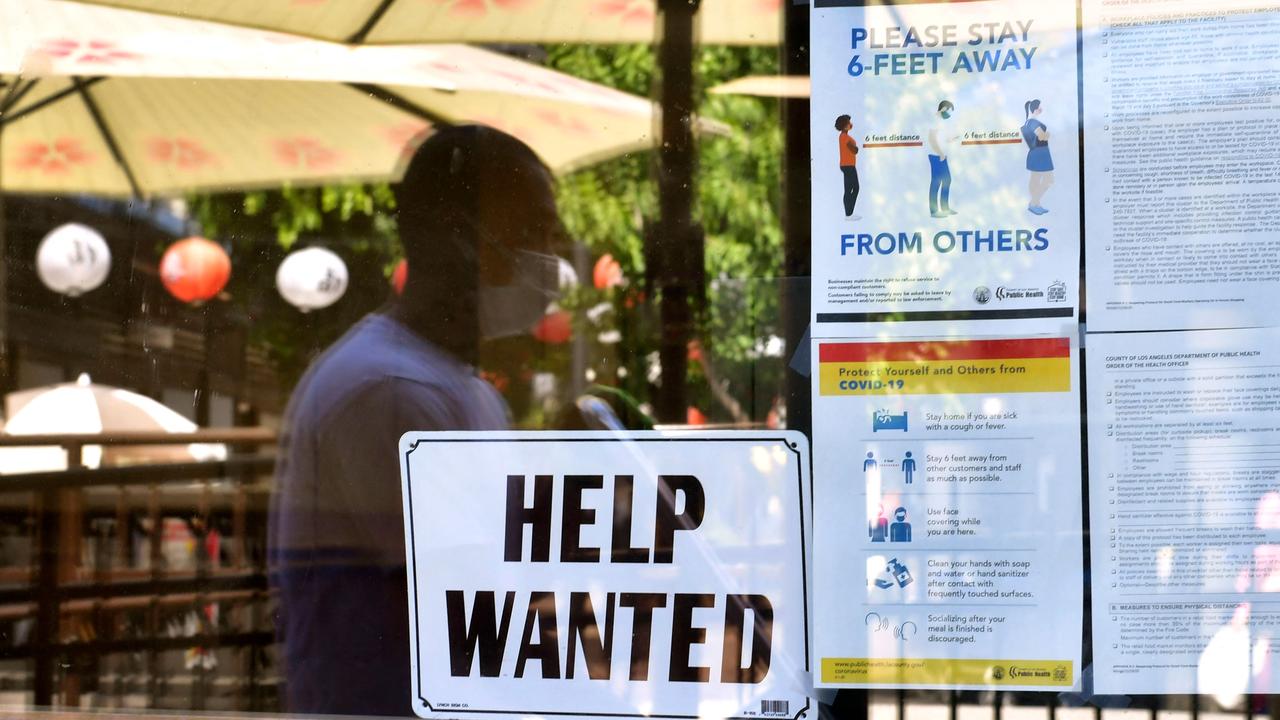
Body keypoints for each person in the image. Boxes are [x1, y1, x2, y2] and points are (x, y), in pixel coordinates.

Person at [268, 126, 565, 716]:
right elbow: (478, 621)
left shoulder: (455, 383)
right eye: (531, 232)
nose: (549, 259)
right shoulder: (390, 390)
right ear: (458, 237)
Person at [927, 100, 960, 218]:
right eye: (948, 111)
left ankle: (945, 208)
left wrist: (951, 139)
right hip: (936, 156)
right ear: (943, 109)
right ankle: (934, 211)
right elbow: (932, 140)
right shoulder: (934, 120)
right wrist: (940, 153)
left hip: (942, 155)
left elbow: (942, 139)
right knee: (936, 182)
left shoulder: (941, 122)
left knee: (947, 180)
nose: (949, 114)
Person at [1022, 99, 1054, 215]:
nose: (1042, 109)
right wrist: (1048, 134)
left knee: (1035, 179)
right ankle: (1033, 203)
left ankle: (1036, 204)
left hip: (1037, 152)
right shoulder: (1033, 123)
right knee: (1048, 180)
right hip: (1040, 153)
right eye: (1040, 107)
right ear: (1036, 109)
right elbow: (1042, 137)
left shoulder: (1029, 122)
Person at [835, 114, 860, 220]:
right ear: (844, 125)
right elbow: (855, 150)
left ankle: (849, 213)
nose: (851, 124)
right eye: (849, 123)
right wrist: (855, 147)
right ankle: (848, 214)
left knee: (850, 188)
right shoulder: (844, 137)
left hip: (847, 165)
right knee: (853, 188)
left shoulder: (844, 136)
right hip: (848, 165)